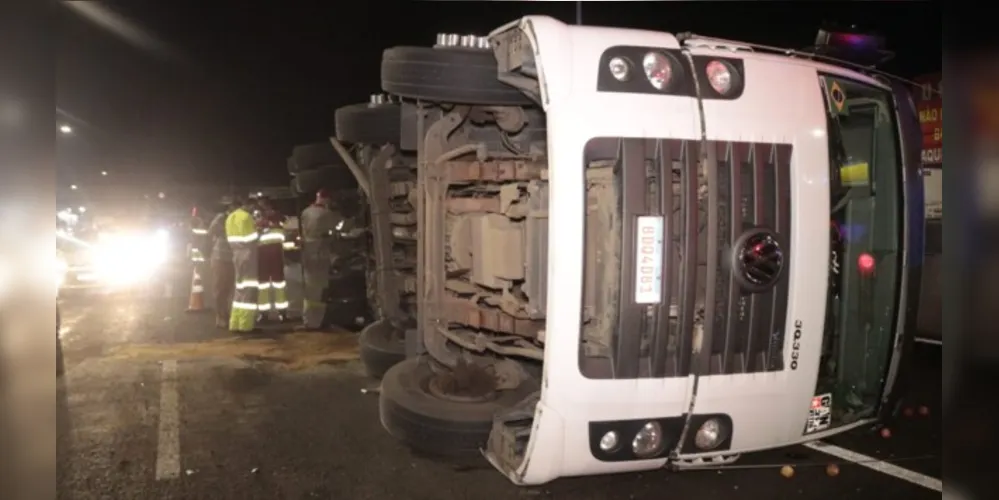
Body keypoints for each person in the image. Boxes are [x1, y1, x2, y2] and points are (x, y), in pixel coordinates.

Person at [296, 188, 339, 330]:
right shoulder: (326, 214)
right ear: (326, 199)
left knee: (309, 289)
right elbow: (336, 230)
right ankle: (316, 322)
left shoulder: (306, 212)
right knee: (319, 290)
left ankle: (308, 319)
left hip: (307, 253)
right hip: (320, 254)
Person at [224, 196, 260, 333]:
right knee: (249, 290)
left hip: (236, 255)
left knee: (239, 290)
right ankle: (246, 325)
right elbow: (251, 238)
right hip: (248, 256)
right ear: (249, 206)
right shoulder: (246, 217)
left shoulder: (230, 218)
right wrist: (259, 231)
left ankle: (235, 323)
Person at [254, 195, 289, 323]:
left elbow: (283, 230)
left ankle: (281, 312)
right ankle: (264, 313)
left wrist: (266, 225)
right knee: (263, 284)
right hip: (264, 253)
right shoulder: (257, 217)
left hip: (273, 252)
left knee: (278, 283)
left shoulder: (277, 216)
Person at [207, 199, 237, 328]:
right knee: (220, 288)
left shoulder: (237, 219)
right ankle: (220, 316)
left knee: (229, 287)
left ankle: (226, 313)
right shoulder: (221, 218)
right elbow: (211, 231)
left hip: (231, 257)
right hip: (220, 257)